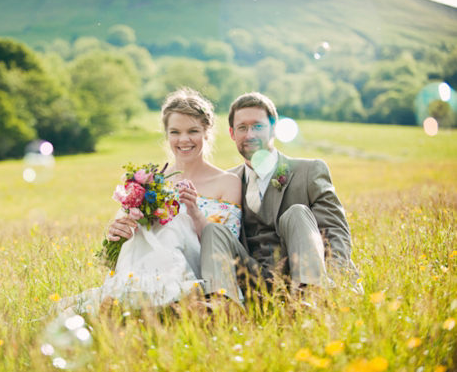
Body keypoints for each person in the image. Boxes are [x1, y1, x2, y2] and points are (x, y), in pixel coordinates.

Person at [57, 88, 242, 315]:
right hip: (150, 266)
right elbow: (130, 246)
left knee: (174, 222)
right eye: (175, 132)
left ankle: (163, 297)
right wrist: (119, 230)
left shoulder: (227, 182)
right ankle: (135, 298)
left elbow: (224, 248)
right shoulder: (153, 183)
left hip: (200, 266)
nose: (183, 140)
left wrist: (194, 212)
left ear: (206, 132)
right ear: (166, 135)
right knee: (143, 225)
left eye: (193, 131)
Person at [199, 92, 361, 305]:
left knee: (297, 211)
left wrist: (337, 280)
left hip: (298, 271)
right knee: (213, 230)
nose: (249, 135)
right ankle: (223, 305)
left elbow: (334, 231)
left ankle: (311, 296)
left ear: (274, 128)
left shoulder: (309, 170)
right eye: (242, 128)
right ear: (232, 133)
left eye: (258, 126)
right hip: (250, 277)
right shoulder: (226, 181)